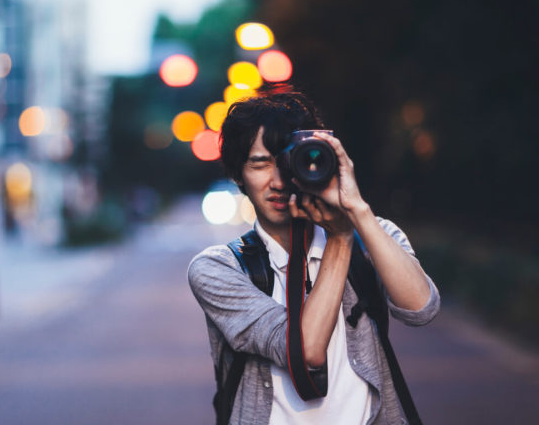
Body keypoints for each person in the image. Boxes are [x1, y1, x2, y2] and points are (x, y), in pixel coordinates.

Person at [188, 90, 440, 424]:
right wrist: (338, 237)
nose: (278, 181)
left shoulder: (370, 236)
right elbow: (305, 352)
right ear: (238, 177)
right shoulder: (218, 268)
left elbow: (422, 309)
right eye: (261, 164)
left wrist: (357, 211)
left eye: (289, 162)